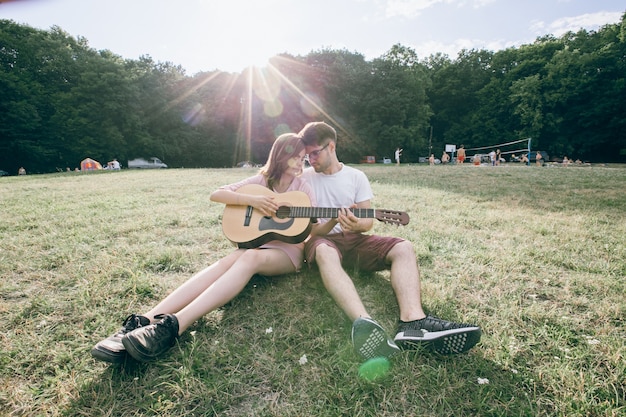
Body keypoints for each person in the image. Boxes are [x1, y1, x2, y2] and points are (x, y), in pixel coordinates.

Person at [91, 133, 318, 363]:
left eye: (303, 158)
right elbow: (216, 194)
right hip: (258, 244)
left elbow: (314, 229)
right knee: (223, 264)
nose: (302, 163)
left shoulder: (303, 189)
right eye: (297, 157)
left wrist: (334, 220)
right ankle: (144, 320)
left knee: (249, 258)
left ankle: (173, 327)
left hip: (287, 253)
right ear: (282, 156)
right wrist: (252, 201)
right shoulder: (260, 182)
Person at [299, 122, 481, 360]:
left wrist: (356, 224)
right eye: (307, 155)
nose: (310, 159)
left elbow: (367, 222)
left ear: (331, 146)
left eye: (315, 153)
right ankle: (363, 323)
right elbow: (314, 232)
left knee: (403, 247)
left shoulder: (356, 176)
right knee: (324, 250)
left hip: (354, 241)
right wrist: (333, 221)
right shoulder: (305, 180)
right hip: (324, 242)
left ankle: (413, 322)